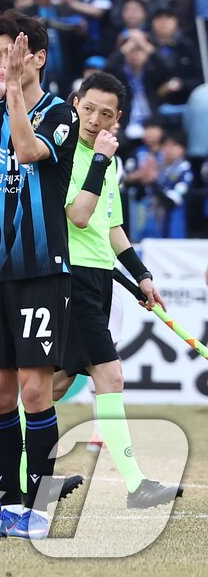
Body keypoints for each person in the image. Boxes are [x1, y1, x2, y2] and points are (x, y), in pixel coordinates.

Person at [0, 11, 82, 540]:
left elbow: (29, 152)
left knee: (35, 392)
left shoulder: (60, 115)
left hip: (39, 272)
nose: (6, 60)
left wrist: (9, 95)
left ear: (38, 58)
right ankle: (9, 508)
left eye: (15, 51)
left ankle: (41, 507)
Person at [52, 70, 181, 508]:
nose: (94, 120)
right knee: (110, 375)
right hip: (68, 278)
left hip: (97, 278)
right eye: (87, 109)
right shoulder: (67, 154)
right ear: (74, 104)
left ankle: (9, 469)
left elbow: (113, 228)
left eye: (105, 114)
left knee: (52, 384)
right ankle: (136, 484)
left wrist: (142, 275)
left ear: (118, 118)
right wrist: (100, 161)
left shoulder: (112, 161)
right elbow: (78, 216)